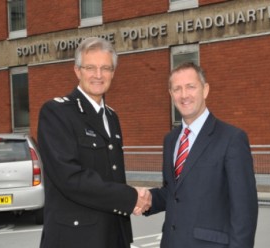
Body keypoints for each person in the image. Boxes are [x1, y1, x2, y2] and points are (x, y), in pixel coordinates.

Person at [37, 37, 151, 248]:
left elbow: (113, 175)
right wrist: (130, 197)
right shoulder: (57, 113)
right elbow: (70, 178)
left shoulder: (111, 117)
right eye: (90, 68)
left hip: (114, 234)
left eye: (105, 68)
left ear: (113, 73)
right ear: (77, 71)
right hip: (76, 239)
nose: (98, 75)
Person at [146, 62, 258, 247]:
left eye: (191, 87)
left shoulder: (232, 139)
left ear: (205, 90)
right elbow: (174, 193)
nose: (184, 95)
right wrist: (146, 199)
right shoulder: (171, 140)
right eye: (177, 89)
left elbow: (244, 211)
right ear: (171, 94)